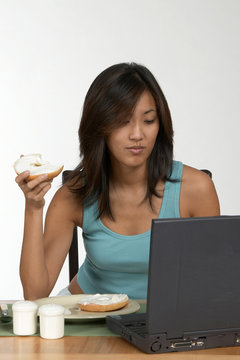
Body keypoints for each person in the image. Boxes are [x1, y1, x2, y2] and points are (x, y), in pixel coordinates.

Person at [15, 62, 220, 300]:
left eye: (149, 120)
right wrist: (33, 207)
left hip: (161, 326)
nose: (137, 135)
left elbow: (211, 287)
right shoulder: (74, 194)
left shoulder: (195, 189)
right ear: (99, 126)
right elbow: (34, 294)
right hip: (86, 319)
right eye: (122, 121)